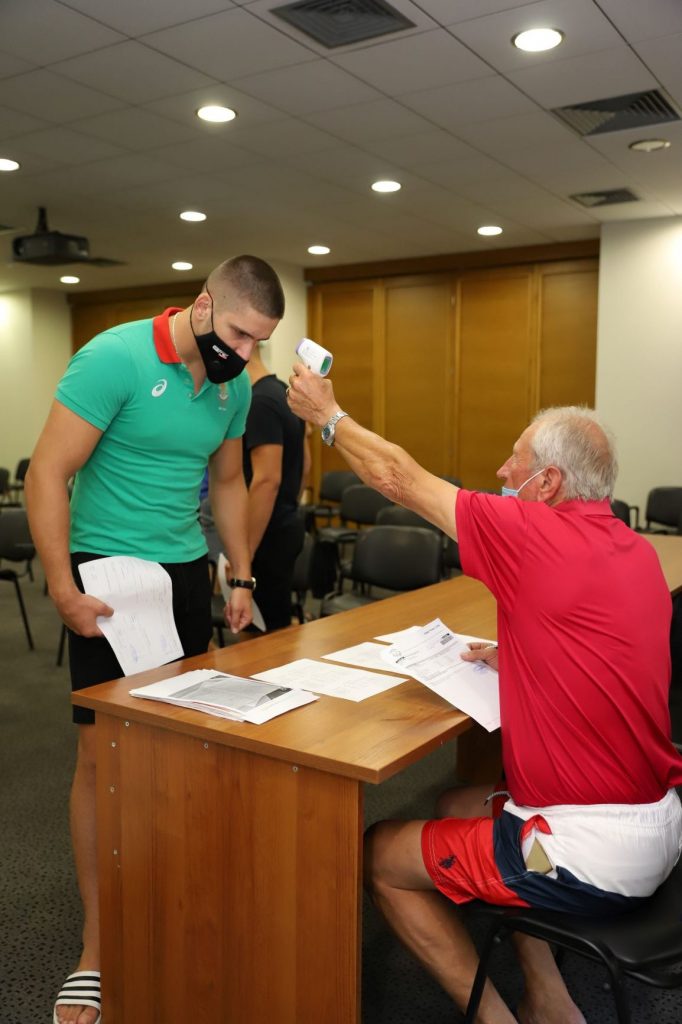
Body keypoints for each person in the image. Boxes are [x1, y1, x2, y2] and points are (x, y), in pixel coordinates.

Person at [286, 367, 682, 1024]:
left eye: (515, 460)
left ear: (547, 482)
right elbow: (601, 641)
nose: (502, 470)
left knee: (379, 854)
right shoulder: (634, 550)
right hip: (657, 822)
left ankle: (493, 1019)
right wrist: (523, 653)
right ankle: (548, 998)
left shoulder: (530, 533)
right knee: (456, 802)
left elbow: (397, 478)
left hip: (585, 854)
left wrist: (328, 417)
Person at [25, 255, 285, 1024]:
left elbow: (229, 483)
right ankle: (97, 948)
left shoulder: (235, 387)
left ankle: (169, 900)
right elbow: (47, 474)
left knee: (176, 747)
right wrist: (61, 587)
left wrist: (240, 575)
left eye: (258, 342)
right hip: (106, 573)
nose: (243, 354)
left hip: (180, 577)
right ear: (203, 306)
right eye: (237, 333)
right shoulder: (114, 357)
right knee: (103, 759)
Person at [241, 343, 307, 631]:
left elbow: (267, 481)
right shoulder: (282, 392)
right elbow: (306, 464)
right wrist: (289, 504)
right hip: (283, 523)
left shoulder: (259, 402)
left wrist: (245, 554)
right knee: (273, 626)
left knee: (260, 634)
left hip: (266, 533)